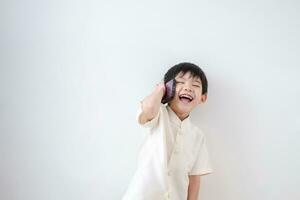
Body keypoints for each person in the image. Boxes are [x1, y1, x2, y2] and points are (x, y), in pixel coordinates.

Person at [122, 62, 213, 200]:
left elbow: (194, 178)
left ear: (203, 97)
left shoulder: (197, 136)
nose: (188, 88)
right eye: (180, 82)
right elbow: (146, 111)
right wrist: (159, 90)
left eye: (195, 85)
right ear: (169, 89)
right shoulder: (158, 115)